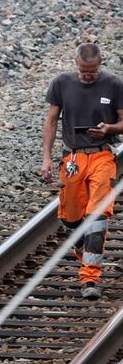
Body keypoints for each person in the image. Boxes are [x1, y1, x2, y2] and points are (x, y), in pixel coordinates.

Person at [41, 43, 123, 301]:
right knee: (71, 218)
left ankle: (90, 278)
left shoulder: (114, 84)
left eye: (93, 71)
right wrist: (46, 158)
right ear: (76, 63)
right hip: (73, 157)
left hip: (102, 156)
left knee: (97, 214)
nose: (88, 75)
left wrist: (108, 129)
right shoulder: (61, 83)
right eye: (84, 71)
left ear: (100, 65)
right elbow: (52, 120)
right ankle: (84, 247)